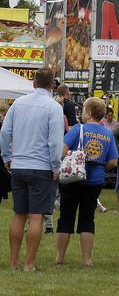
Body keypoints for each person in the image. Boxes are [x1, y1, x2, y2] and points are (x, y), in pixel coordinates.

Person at [0, 68, 64, 271]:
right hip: (41, 167)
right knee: (37, 216)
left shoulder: (18, 103)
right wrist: (56, 166)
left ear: (34, 83)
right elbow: (55, 142)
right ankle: (29, 264)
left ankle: (13, 262)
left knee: (19, 214)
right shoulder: (54, 107)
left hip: (18, 165)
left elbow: (4, 132)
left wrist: (6, 157)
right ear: (53, 86)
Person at [55, 97, 118, 266]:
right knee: (87, 218)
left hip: (73, 179)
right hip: (95, 180)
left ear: (89, 112)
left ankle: (60, 257)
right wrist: (100, 167)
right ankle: (87, 259)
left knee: (66, 216)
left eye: (83, 110)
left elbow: (62, 152)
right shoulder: (108, 133)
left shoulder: (77, 129)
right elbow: (113, 162)